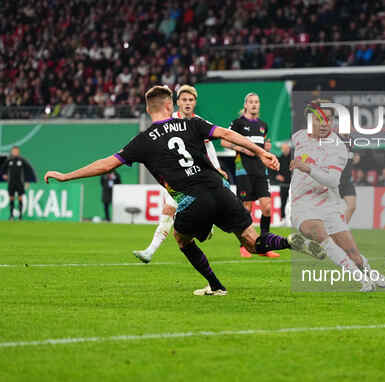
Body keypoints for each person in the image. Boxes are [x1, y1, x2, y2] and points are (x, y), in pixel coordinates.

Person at [44, 85, 324, 296]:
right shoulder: (192, 123)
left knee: (181, 238)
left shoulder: (141, 141)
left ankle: (215, 285)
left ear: (148, 109)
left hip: (192, 200)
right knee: (252, 241)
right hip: (220, 188)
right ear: (169, 105)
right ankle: (291, 242)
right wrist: (260, 153)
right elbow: (227, 135)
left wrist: (67, 176)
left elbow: (106, 165)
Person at [291, 100, 385, 292]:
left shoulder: (338, 147)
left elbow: (333, 181)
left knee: (354, 254)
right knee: (319, 233)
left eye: (328, 119)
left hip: (328, 203)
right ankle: (362, 281)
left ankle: (372, 274)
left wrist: (307, 167)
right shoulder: (299, 137)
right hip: (302, 203)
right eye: (319, 119)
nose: (324, 124)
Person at [132, 85, 227, 263]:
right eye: (184, 100)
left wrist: (216, 168)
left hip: (197, 177)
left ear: (195, 102)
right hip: (176, 176)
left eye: (191, 100)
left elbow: (209, 148)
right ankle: (150, 251)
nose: (187, 103)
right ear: (177, 102)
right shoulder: (169, 120)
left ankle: (207, 225)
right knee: (168, 208)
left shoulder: (198, 122)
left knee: (197, 222)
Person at [221, 93, 278, 258]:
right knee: (247, 208)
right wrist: (242, 148)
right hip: (243, 169)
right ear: (245, 105)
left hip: (261, 170)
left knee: (267, 207)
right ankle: (244, 245)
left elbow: (264, 144)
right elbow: (224, 141)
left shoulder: (263, 125)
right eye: (251, 102)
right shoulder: (238, 123)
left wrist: (266, 147)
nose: (254, 105)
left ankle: (264, 245)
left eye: (257, 102)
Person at [0, 146, 36, 220]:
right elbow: (3, 168)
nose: (15, 152)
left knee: (20, 198)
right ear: (12, 152)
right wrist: (4, 174)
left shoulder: (22, 160)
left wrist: (27, 181)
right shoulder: (9, 160)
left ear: (18, 152)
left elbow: (28, 170)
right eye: (14, 151)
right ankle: (11, 215)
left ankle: (20, 216)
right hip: (11, 183)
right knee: (11, 198)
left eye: (16, 151)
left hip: (19, 183)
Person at [338, 134, 357, 223]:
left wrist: (355, 158)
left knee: (352, 206)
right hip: (335, 179)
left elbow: (355, 158)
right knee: (328, 209)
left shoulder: (351, 140)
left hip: (347, 180)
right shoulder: (334, 139)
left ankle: (341, 228)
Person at [271, 142, 291, 225]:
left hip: (292, 184)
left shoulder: (293, 159)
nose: (284, 150)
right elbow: (274, 171)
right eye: (283, 148)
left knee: (293, 203)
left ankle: (291, 220)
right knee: (283, 201)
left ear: (289, 149)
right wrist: (277, 176)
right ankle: (282, 219)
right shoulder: (280, 158)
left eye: (286, 148)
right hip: (283, 184)